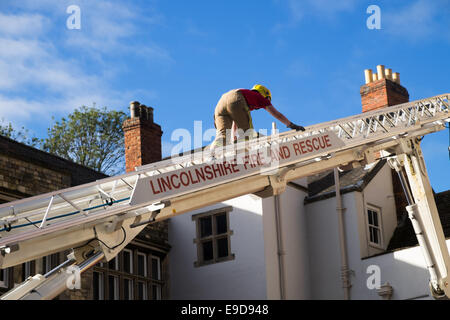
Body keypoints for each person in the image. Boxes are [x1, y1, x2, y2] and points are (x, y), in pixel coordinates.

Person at [211, 84, 305, 149]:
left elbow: (235, 122)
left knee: (222, 135)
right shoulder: (259, 97)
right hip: (236, 98)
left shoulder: (248, 95)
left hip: (220, 103)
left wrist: (233, 140)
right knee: (248, 133)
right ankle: (245, 156)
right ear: (265, 95)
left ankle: (212, 155)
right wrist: (291, 125)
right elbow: (277, 114)